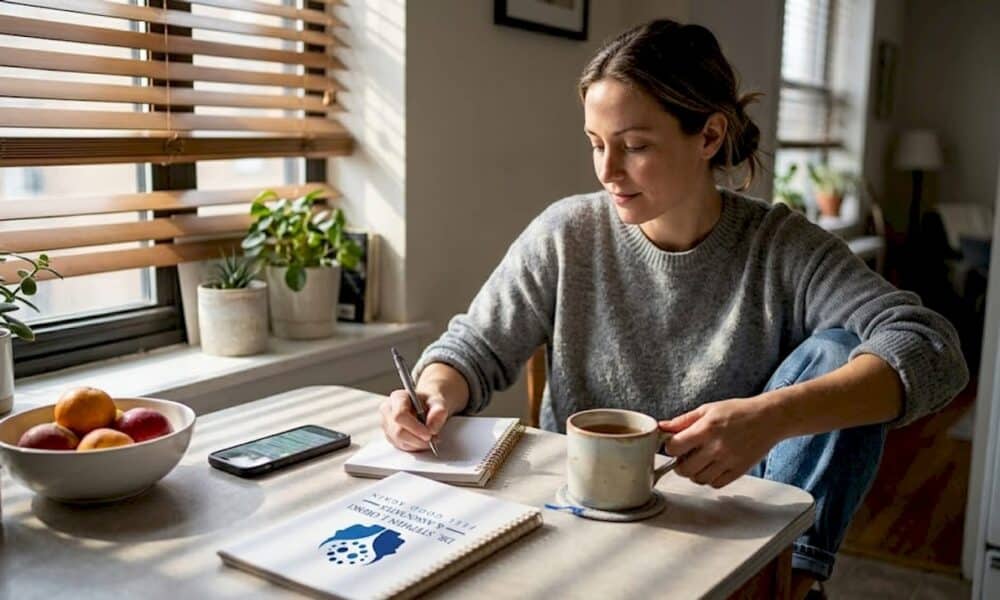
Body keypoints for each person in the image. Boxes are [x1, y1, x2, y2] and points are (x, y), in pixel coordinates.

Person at [378, 19, 968, 598]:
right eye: (595, 145)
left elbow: (932, 348)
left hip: (730, 539)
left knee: (841, 352)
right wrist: (433, 391)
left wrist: (771, 418)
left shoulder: (782, 248)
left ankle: (790, 581)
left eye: (634, 146)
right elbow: (473, 349)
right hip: (580, 523)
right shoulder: (567, 234)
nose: (607, 171)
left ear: (709, 137)